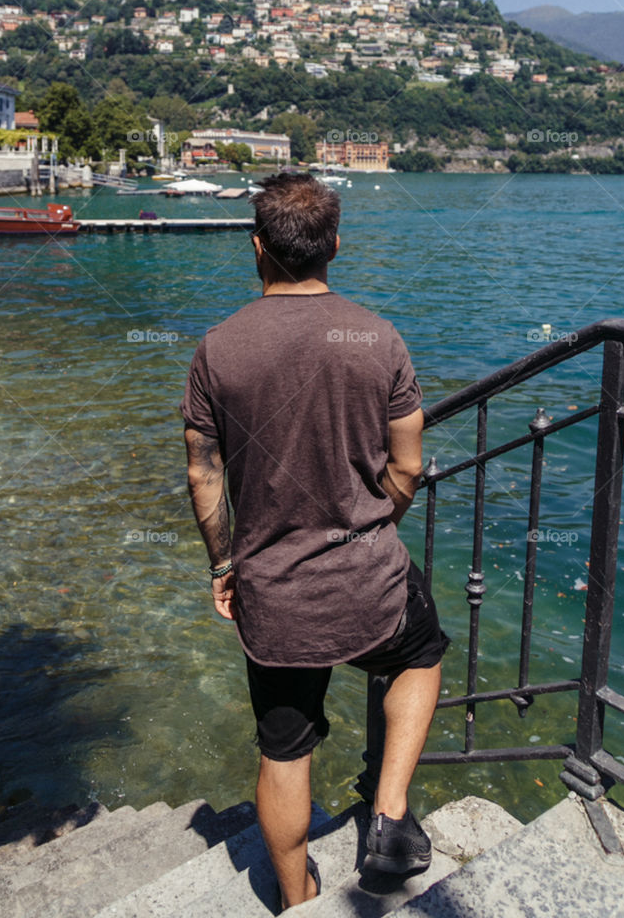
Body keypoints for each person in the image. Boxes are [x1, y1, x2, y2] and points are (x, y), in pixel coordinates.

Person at [182, 172, 448, 911]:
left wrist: (223, 564)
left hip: (273, 591)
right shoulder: (377, 338)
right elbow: (407, 465)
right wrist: (373, 527)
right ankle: (388, 810)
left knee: (284, 748)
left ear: (256, 247)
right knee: (419, 654)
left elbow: (203, 475)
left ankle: (298, 901)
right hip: (369, 579)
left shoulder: (218, 349)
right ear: (335, 244)